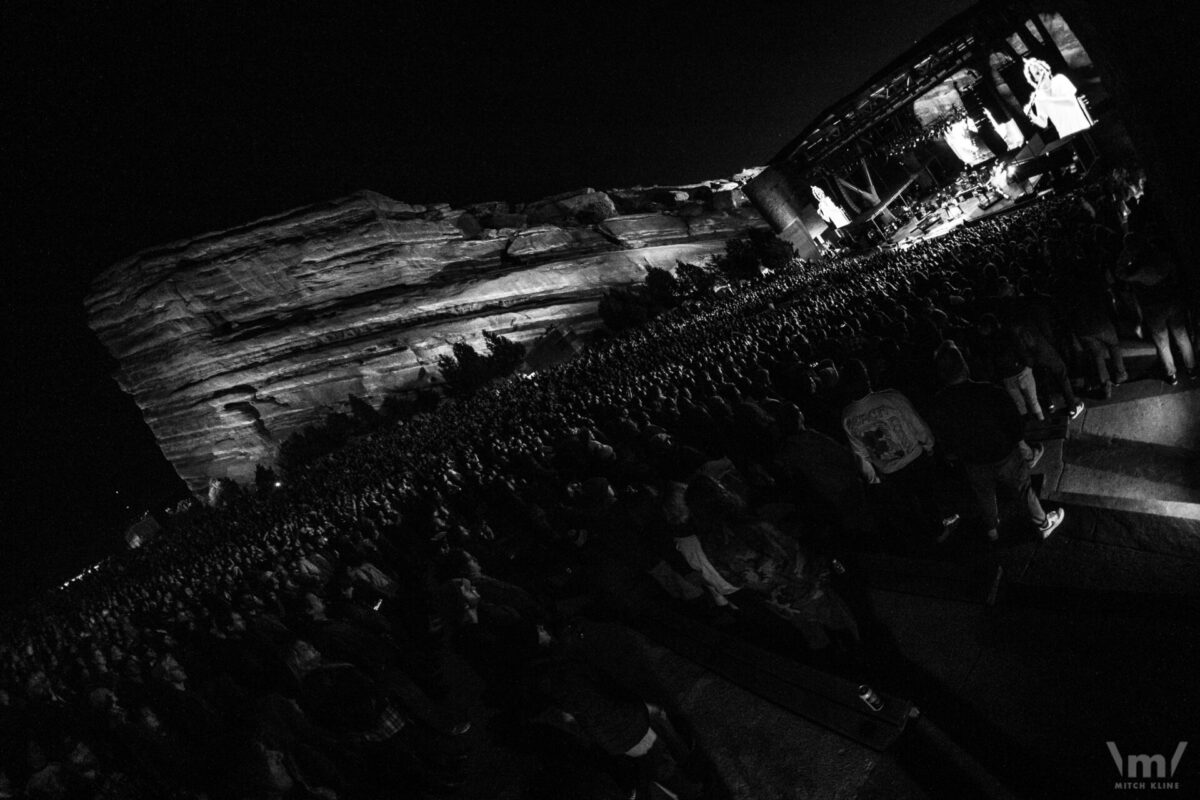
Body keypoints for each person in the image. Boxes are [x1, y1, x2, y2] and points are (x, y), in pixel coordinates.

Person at [929, 341, 1065, 542]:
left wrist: (953, 454)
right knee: (1023, 488)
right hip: (1003, 454)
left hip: (972, 460)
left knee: (984, 494)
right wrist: (1021, 444)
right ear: (964, 366)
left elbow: (942, 434)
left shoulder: (938, 402)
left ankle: (992, 530)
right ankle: (1043, 524)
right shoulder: (990, 391)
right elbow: (1013, 423)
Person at [838, 359, 958, 542]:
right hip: (914, 457)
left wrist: (872, 478)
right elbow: (915, 422)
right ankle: (938, 531)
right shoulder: (891, 397)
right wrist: (929, 444)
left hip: (889, 468)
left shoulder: (847, 416)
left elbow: (859, 452)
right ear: (866, 377)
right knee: (926, 496)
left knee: (908, 501)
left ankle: (923, 536)